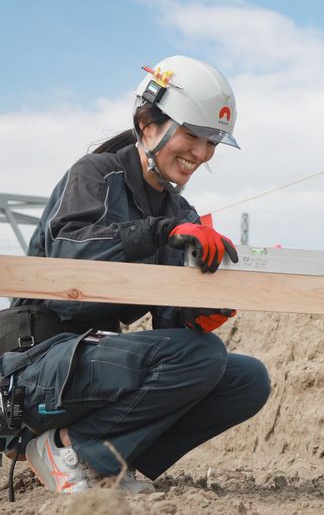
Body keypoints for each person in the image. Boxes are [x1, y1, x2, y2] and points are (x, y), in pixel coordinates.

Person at [0, 55, 271, 495]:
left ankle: (110, 466)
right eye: (193, 135)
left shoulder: (179, 211)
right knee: (199, 357)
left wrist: (194, 313)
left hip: (95, 366)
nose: (202, 154)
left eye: (213, 143)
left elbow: (168, 333)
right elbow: (71, 268)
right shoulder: (95, 175)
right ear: (148, 124)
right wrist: (158, 233)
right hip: (36, 368)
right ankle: (68, 448)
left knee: (244, 378)